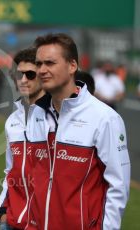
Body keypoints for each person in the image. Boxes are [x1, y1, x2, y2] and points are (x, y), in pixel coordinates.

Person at [24, 33, 130, 229]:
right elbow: (30, 176)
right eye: (38, 64)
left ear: (72, 66)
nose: (42, 70)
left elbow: (118, 186)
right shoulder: (35, 113)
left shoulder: (105, 118)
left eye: (50, 63)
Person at [0, 47, 45, 229]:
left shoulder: (55, 118)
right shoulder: (12, 120)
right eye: (19, 74)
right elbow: (10, 171)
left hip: (42, 221)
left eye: (30, 74)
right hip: (11, 219)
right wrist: (2, 209)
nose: (23, 80)